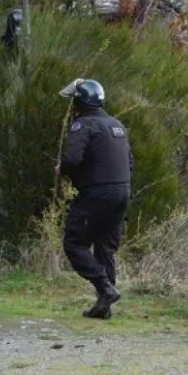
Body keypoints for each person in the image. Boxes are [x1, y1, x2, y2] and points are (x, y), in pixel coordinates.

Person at [56, 79, 132, 319]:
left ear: (79, 102)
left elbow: (72, 159)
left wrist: (62, 169)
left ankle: (105, 288)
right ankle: (103, 307)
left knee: (74, 243)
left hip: (97, 194)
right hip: (122, 193)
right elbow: (130, 162)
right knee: (105, 247)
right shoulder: (116, 124)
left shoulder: (83, 125)